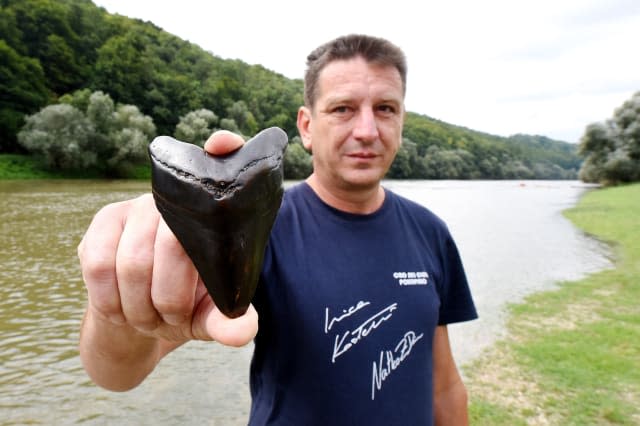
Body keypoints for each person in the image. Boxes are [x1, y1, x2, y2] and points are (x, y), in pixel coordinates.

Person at [78, 34, 477, 425]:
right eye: (343, 109)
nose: (368, 130)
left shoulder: (430, 231)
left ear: (403, 120)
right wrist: (116, 311)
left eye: (386, 108)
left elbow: (443, 384)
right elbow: (117, 374)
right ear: (306, 126)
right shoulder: (257, 228)